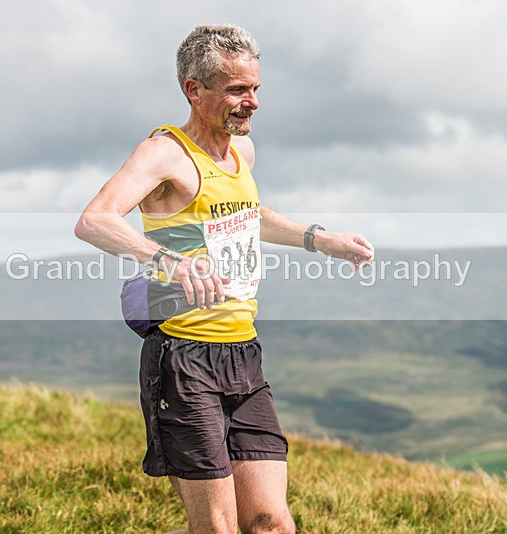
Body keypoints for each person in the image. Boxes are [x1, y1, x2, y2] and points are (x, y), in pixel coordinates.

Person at [75, 24, 373, 534]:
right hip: (183, 359)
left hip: (243, 353)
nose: (251, 101)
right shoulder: (165, 154)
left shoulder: (242, 153)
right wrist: (169, 260)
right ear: (195, 89)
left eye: (255, 88)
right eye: (237, 90)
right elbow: (94, 220)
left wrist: (320, 238)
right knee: (216, 527)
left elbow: (247, 215)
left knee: (271, 521)